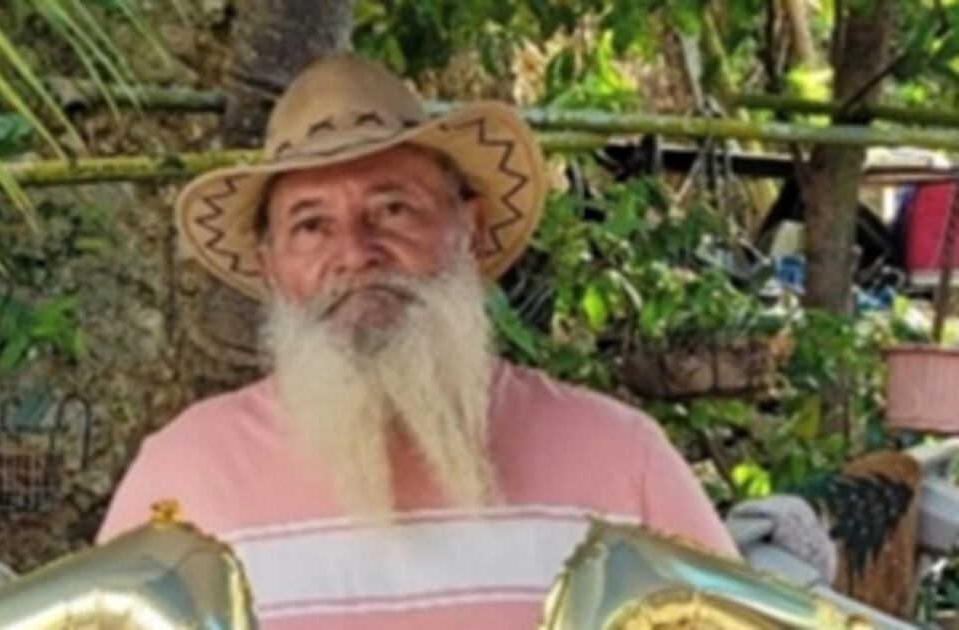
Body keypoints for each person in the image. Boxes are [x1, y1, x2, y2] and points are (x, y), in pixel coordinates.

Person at [98, 54, 736, 629]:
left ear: (470, 229)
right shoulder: (181, 480)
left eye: (393, 210)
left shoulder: (622, 461)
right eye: (311, 225)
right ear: (270, 266)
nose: (356, 252)